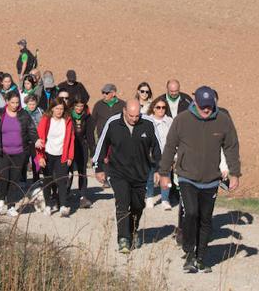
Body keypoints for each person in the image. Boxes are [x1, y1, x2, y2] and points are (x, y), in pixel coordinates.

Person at [159, 86, 241, 274]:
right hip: (187, 176)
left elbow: (231, 146)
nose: (206, 110)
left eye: (209, 106)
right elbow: (170, 146)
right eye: (203, 106)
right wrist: (164, 173)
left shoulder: (223, 120)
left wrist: (235, 173)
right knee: (192, 213)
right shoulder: (182, 120)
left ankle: (201, 258)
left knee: (206, 219)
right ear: (195, 103)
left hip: (211, 179)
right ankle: (189, 254)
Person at [95, 99, 160, 253]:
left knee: (138, 205)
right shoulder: (113, 123)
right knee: (123, 202)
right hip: (118, 172)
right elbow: (102, 145)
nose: (134, 119)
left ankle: (133, 230)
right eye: (131, 116)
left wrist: (160, 170)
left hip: (140, 173)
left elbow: (158, 148)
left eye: (137, 116)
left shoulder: (148, 124)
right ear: (124, 111)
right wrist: (98, 167)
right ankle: (123, 238)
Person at [0, 90, 38, 217]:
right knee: (3, 177)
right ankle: (1, 199)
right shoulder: (0, 113)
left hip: (19, 152)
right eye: (12, 102)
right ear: (7, 102)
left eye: (17, 102)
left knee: (14, 180)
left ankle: (11, 206)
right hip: (2, 151)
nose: (15, 105)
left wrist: (37, 140)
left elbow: (31, 129)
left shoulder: (24, 114)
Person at [34, 99, 74, 216]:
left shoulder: (67, 121)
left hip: (62, 155)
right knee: (48, 180)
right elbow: (40, 138)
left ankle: (63, 206)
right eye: (57, 108)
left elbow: (71, 140)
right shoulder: (46, 120)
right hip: (48, 154)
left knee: (62, 181)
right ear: (52, 108)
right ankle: (47, 206)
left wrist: (70, 156)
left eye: (61, 109)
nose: (59, 111)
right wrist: (40, 157)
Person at [147, 97, 173, 210]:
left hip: (166, 154)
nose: (161, 110)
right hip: (151, 154)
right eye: (158, 107)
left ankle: (165, 199)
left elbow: (174, 139)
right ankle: (149, 197)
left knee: (166, 176)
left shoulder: (170, 121)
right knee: (150, 176)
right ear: (153, 108)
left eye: (163, 107)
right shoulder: (147, 121)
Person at [68, 98, 93, 208]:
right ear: (73, 106)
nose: (79, 108)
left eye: (81, 106)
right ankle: (65, 193)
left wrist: (92, 151)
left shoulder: (87, 117)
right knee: (68, 171)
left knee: (82, 171)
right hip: (70, 146)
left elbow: (90, 135)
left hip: (82, 146)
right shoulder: (68, 116)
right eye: (77, 106)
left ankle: (83, 196)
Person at [89, 84, 125, 152]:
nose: (104, 95)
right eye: (103, 92)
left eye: (107, 93)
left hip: (118, 139)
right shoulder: (98, 105)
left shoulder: (122, 105)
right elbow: (93, 121)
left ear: (113, 93)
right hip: (102, 139)